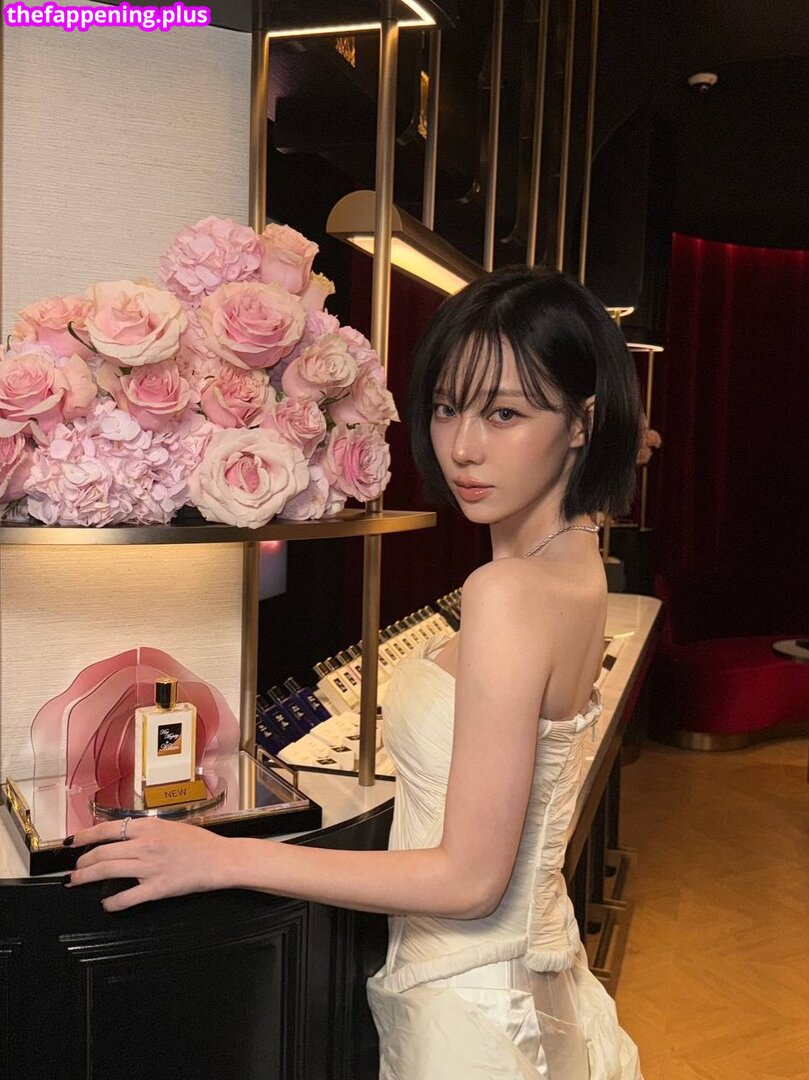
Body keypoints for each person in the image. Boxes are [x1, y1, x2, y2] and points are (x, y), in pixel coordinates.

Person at [67, 265, 644, 1079]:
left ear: (582, 423)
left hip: (473, 1008)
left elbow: (470, 880)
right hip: (533, 981)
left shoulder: (509, 591)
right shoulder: (577, 559)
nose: (462, 447)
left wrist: (216, 857)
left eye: (504, 414)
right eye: (446, 407)